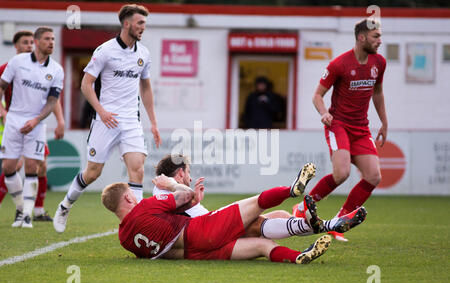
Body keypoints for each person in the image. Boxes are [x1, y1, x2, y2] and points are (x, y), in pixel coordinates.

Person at [101, 163, 368, 264]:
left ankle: (301, 255)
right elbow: (185, 197)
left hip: (195, 254)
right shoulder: (150, 204)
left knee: (264, 244)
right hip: (202, 232)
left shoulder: (124, 239)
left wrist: (190, 200)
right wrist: (171, 186)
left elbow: (160, 241)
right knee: (258, 208)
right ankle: (292, 189)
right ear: (127, 197)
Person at [53, 4, 161, 233]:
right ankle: (65, 205)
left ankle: (139, 226)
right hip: (106, 120)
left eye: (144, 23)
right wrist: (101, 111)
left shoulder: (144, 53)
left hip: (131, 120)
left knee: (138, 169)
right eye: (140, 23)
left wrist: (153, 122)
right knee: (93, 173)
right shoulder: (105, 51)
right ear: (127, 24)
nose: (143, 27)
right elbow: (85, 84)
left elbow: (146, 88)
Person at [294, 18, 387, 242]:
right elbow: (317, 95)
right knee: (342, 174)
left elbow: (377, 93)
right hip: (338, 125)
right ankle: (302, 207)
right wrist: (324, 112)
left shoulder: (379, 63)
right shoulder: (339, 64)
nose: (380, 41)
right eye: (376, 37)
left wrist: (384, 122)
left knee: (374, 176)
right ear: (361, 37)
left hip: (361, 128)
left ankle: (340, 221)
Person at [0, 27, 64, 228]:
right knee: (8, 167)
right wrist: (4, 114)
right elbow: (1, 88)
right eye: (47, 39)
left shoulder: (57, 70)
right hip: (13, 120)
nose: (51, 42)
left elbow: (53, 101)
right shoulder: (17, 62)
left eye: (53, 39)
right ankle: (20, 209)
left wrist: (36, 120)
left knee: (33, 167)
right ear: (37, 42)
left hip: (36, 123)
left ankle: (28, 214)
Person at [153, 153, 293, 238]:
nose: (190, 178)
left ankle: (302, 221)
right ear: (181, 173)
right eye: (188, 172)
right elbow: (185, 193)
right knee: (263, 217)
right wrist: (171, 184)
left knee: (277, 216)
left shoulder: (163, 190)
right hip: (213, 229)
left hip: (213, 223)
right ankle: (293, 198)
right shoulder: (165, 188)